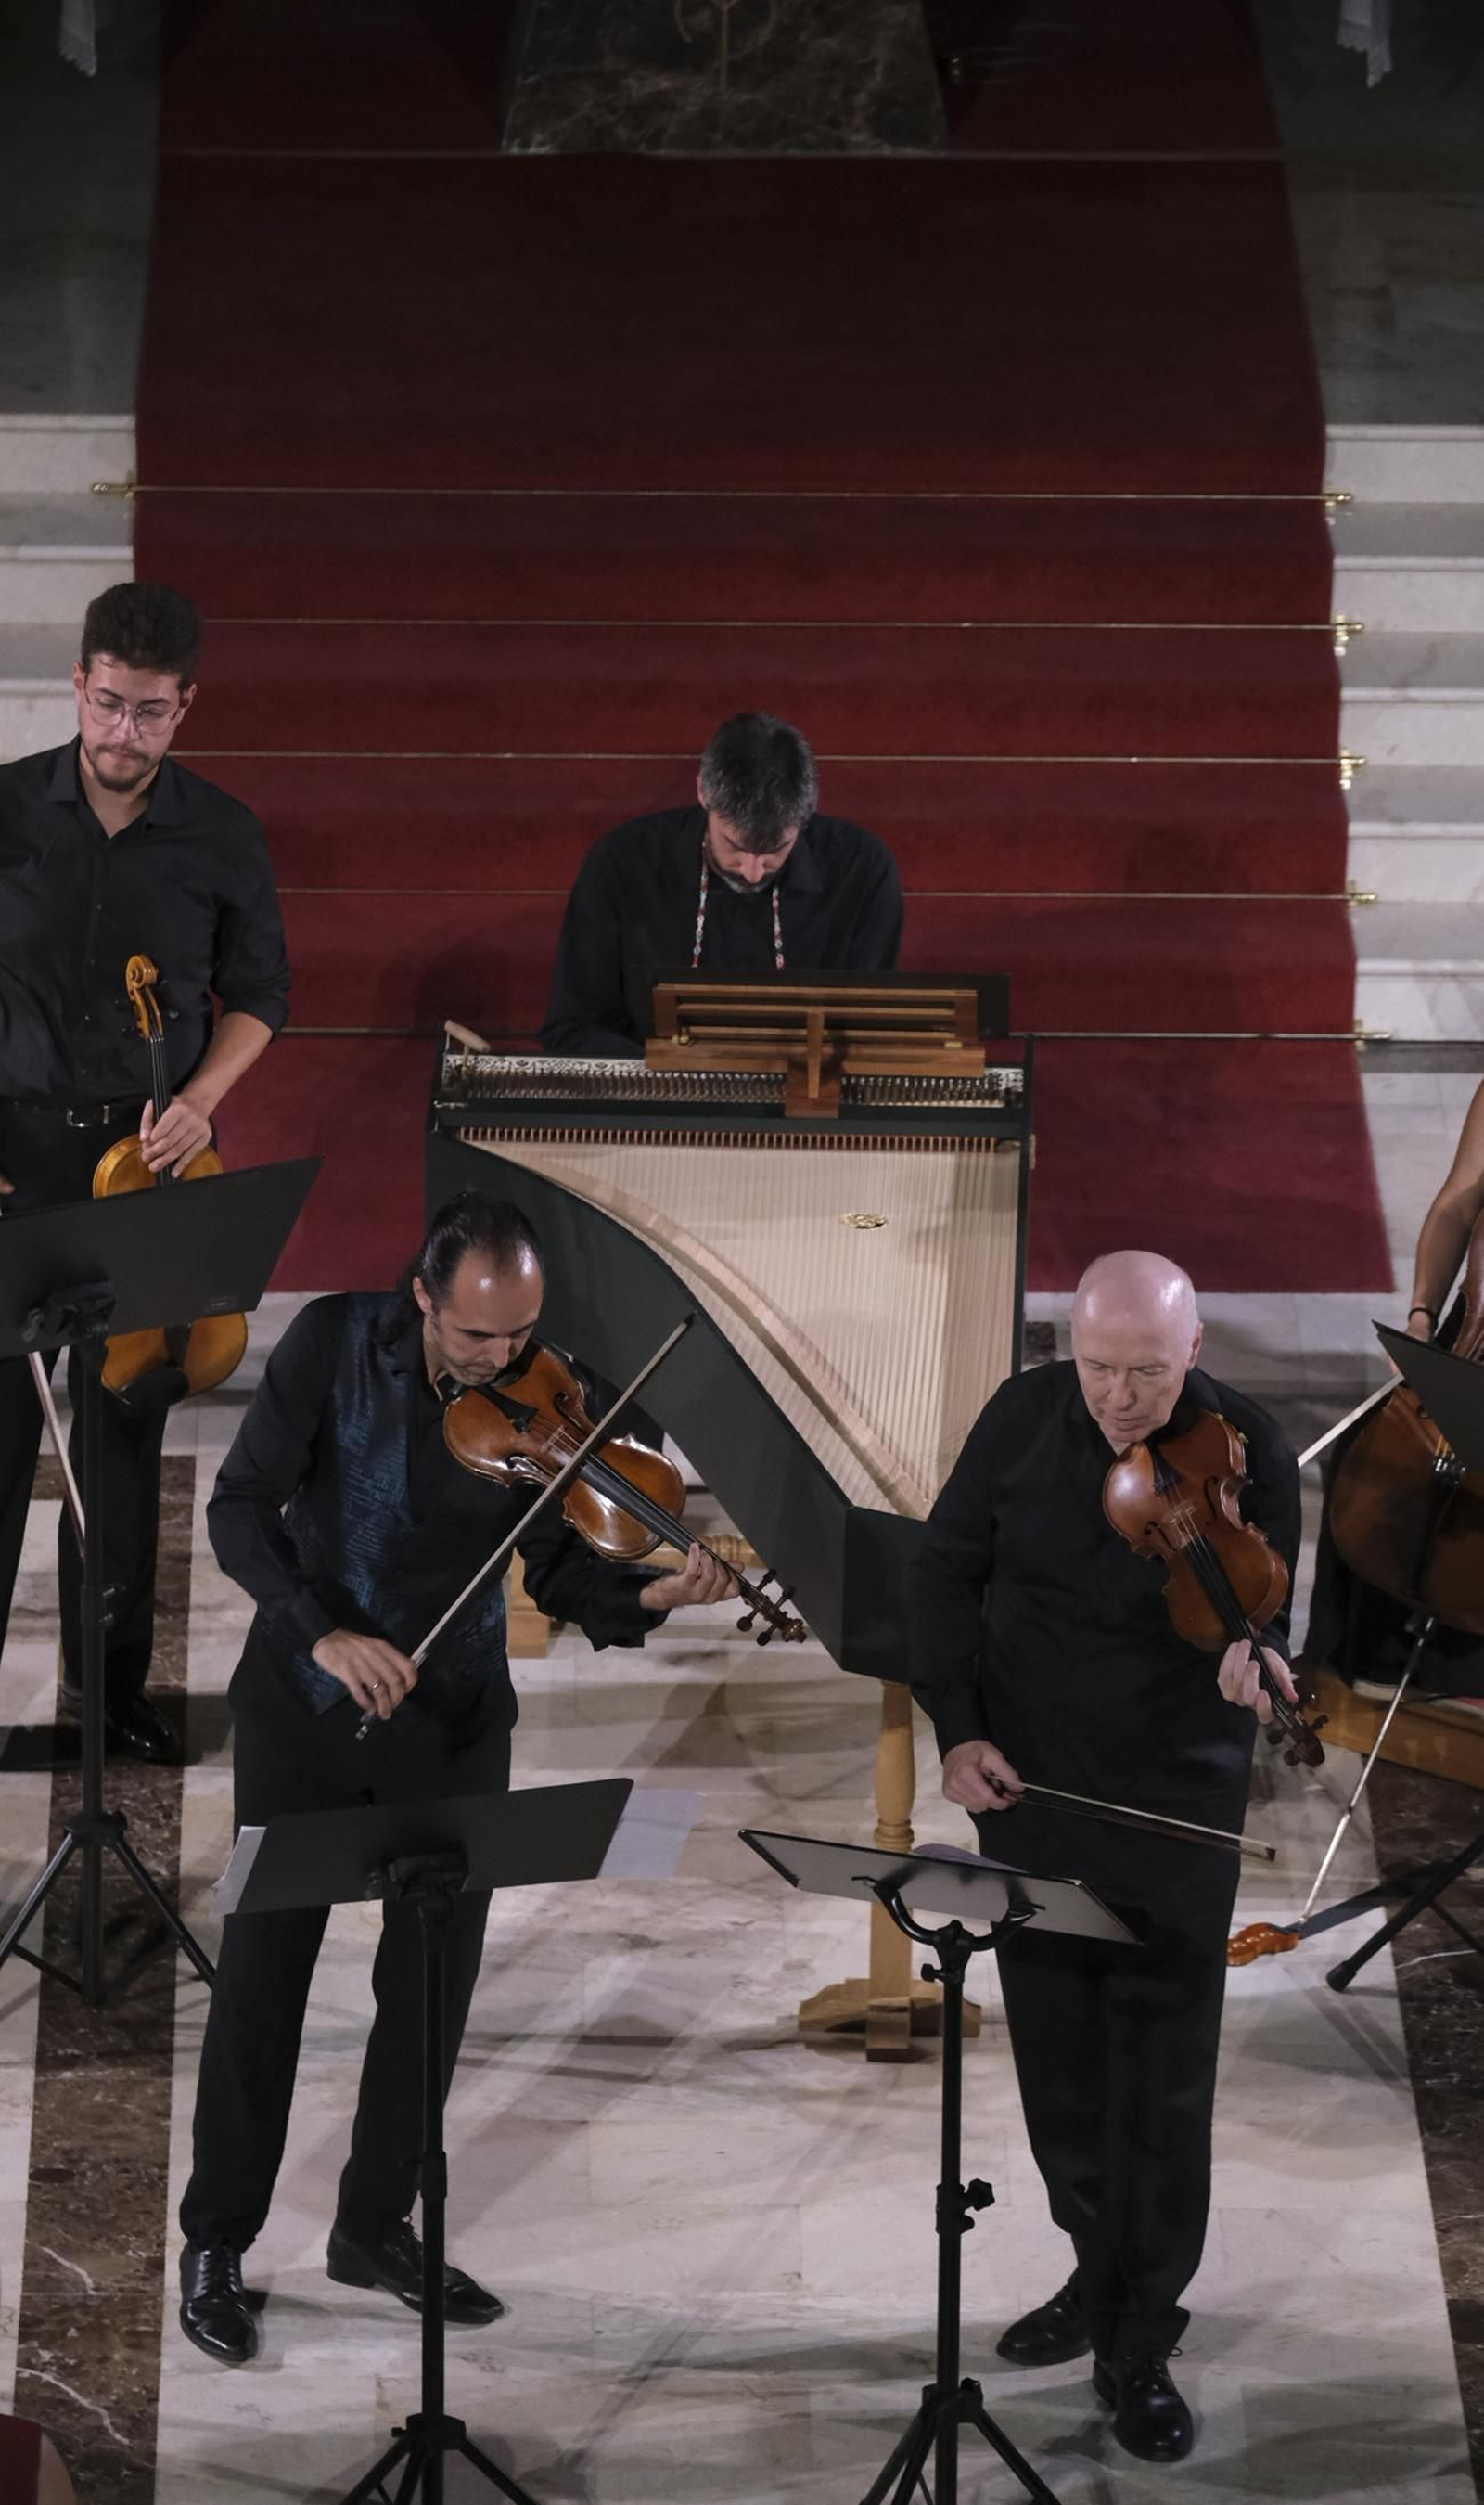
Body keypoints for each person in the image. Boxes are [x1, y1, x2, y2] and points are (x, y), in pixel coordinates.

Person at [178, 1188, 733, 2366]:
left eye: (520, 1334)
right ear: (424, 1296)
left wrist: (651, 1594)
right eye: (477, 1334)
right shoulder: (332, 1344)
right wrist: (320, 1629)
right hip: (307, 1713)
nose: (502, 1357)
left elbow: (564, 1572)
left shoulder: (552, 1389)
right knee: (261, 1989)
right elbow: (239, 1511)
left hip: (456, 1717)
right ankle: (217, 2239)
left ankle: (375, 2225)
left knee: (427, 1995)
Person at [909, 1252, 1300, 2464]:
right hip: (1033, 1799)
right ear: (1064, 1347)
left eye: (1145, 1371)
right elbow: (941, 1575)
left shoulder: (1253, 1447)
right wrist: (958, 1726)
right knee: (1062, 2077)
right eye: (1096, 1368)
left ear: (1193, 1352)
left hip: (1177, 1809)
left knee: (1165, 2091)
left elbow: (1269, 1612)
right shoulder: (1022, 1420)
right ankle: (1095, 2269)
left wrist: (1257, 1657)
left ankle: (1142, 2340)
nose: (1120, 1398)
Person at [0, 583, 288, 1758]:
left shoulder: (222, 833)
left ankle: (106, 1694)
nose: (125, 735)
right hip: (12, 1158)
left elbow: (262, 998)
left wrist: (200, 1103)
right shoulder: (8, 807)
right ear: (78, 685)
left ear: (187, 708)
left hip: (140, 1164)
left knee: (121, 1450)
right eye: (109, 705)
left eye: (152, 714)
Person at [540, 710, 902, 1055]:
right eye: (735, 846)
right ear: (702, 792)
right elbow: (574, 1025)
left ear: (806, 817)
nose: (752, 871)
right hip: (654, 1105)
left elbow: (864, 1033)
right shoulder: (622, 862)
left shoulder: (862, 868)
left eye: (775, 850)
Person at [1309, 1078, 1484, 1701]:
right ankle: (1345, 1662)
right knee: (1364, 1450)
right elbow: (1455, 1209)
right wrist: (1421, 1317)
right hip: (1475, 1332)